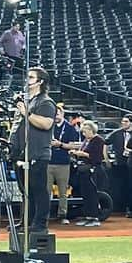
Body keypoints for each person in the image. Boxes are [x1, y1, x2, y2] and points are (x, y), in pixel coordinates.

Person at [8, 66, 55, 241]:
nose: (27, 80)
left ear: (40, 81)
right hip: (23, 153)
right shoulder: (31, 101)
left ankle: (40, 222)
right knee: (25, 191)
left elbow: (46, 124)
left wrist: (25, 112)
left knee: (38, 189)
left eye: (31, 77)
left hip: (37, 153)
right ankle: (27, 220)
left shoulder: (45, 102)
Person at [48, 103, 80, 227]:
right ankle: (45, 215)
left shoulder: (70, 128)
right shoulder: (48, 126)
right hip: (48, 162)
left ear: (63, 114)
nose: (56, 115)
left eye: (58, 113)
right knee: (46, 191)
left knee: (63, 192)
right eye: (54, 113)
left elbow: (74, 145)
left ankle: (62, 215)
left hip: (63, 163)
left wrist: (60, 144)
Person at [71, 121, 105, 226]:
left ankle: (95, 217)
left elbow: (97, 157)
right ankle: (88, 216)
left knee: (92, 194)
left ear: (91, 130)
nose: (84, 134)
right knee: (85, 194)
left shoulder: (98, 140)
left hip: (92, 170)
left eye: (85, 132)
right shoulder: (86, 140)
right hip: (83, 170)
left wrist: (83, 154)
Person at [105, 114, 132, 215]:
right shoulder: (116, 133)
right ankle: (120, 208)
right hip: (120, 164)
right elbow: (105, 143)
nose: (123, 123)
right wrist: (106, 159)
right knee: (120, 187)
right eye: (123, 121)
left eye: (126, 121)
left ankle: (131, 208)